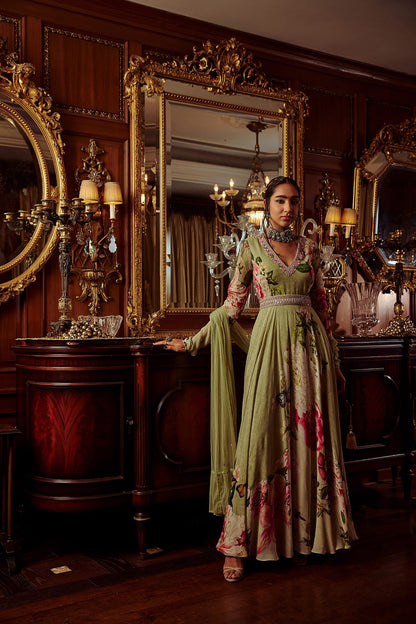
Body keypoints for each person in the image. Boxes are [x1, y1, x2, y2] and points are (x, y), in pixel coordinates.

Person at [155, 176, 357, 582]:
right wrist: (193, 341)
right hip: (267, 352)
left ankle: (301, 537)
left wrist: (333, 361)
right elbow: (231, 306)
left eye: (294, 202)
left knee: (306, 442)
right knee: (258, 439)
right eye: (280, 201)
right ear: (267, 205)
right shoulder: (249, 247)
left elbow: (322, 310)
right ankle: (238, 544)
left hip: (310, 351)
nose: (288, 209)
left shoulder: (311, 250)